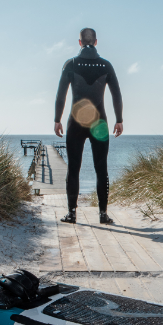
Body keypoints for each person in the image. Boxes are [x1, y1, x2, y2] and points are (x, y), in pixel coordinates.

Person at [53, 27, 123, 224]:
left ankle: (71, 213)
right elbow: (116, 94)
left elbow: (61, 95)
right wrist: (119, 119)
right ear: (96, 42)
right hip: (99, 123)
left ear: (80, 42)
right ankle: (103, 214)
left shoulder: (71, 64)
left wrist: (57, 119)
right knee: (101, 168)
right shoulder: (106, 65)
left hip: (75, 123)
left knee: (74, 167)